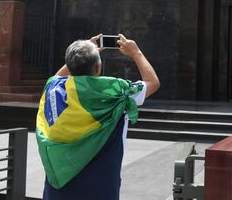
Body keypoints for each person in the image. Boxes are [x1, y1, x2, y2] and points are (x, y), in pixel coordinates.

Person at [36, 34, 160, 200]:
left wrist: (81, 54)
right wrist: (135, 52)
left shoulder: (54, 88)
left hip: (58, 190)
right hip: (100, 188)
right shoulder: (116, 91)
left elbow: (58, 76)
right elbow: (152, 82)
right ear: (97, 68)